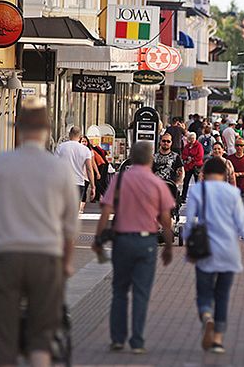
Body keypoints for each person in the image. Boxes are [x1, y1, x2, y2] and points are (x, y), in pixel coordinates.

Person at [0, 97, 78, 367]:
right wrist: (66, 263)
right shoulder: (59, 169)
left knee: (1, 337)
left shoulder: (0, 164)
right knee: (41, 337)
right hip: (47, 260)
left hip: (6, 256)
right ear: (47, 133)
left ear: (19, 130)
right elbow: (70, 225)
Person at [93, 141, 174, 354]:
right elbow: (166, 219)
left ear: (132, 158)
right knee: (141, 292)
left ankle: (117, 339)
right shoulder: (157, 184)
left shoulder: (119, 180)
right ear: (151, 159)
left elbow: (106, 211)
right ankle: (137, 341)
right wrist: (168, 246)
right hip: (146, 242)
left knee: (119, 290)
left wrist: (98, 238)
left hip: (122, 241)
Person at [183, 158, 244, 354]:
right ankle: (217, 338)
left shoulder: (197, 191)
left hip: (204, 249)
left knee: (204, 291)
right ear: (224, 174)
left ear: (205, 173)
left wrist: (188, 246)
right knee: (222, 295)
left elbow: (189, 223)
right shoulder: (233, 193)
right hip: (229, 250)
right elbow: (243, 226)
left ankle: (206, 315)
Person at [55, 126, 95, 213]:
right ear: (80, 137)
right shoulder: (85, 150)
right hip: (78, 183)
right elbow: (89, 169)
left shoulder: (61, 147)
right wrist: (93, 186)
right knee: (74, 211)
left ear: (69, 134)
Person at [181, 132, 205, 202]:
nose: (192, 140)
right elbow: (183, 155)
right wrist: (187, 158)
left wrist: (191, 159)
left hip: (196, 166)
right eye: (190, 138)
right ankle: (183, 196)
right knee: (186, 182)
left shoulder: (199, 145)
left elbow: (200, 156)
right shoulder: (187, 146)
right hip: (188, 166)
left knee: (197, 182)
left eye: (193, 138)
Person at [80, 136, 102, 203]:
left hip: (86, 174)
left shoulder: (89, 151)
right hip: (79, 173)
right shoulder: (77, 150)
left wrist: (97, 172)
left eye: (85, 141)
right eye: (82, 141)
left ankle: (81, 207)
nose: (84, 143)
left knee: (84, 190)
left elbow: (93, 163)